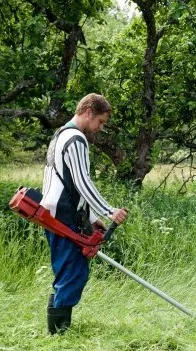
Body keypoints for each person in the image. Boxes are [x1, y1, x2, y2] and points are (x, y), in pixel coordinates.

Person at [40, 93, 128, 334]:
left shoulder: (60, 135)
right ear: (88, 112)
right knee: (72, 272)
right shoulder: (76, 138)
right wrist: (110, 211)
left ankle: (57, 332)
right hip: (64, 217)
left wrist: (90, 218)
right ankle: (59, 335)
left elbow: (66, 183)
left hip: (56, 214)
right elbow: (82, 182)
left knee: (66, 272)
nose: (100, 128)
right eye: (100, 122)